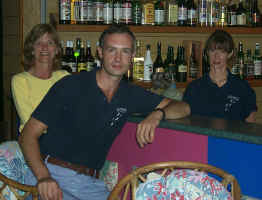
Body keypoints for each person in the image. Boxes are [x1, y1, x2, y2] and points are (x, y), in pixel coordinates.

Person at [18, 24, 190, 200]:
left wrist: (157, 114)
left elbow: (183, 107)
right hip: (53, 176)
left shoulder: (131, 94)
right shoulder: (71, 85)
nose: (118, 58)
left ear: (132, 57)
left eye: (124, 51)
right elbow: (27, 135)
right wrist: (43, 177)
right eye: (111, 50)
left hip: (89, 184)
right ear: (100, 52)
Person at [183, 29, 257, 123]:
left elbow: (250, 126)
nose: (216, 56)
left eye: (222, 51)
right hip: (202, 138)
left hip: (232, 138)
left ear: (230, 54)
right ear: (207, 53)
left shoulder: (243, 88)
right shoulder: (194, 88)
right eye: (212, 51)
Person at [11, 24, 70, 134]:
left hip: (63, 138)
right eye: (39, 43)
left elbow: (74, 113)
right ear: (32, 49)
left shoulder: (64, 76)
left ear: (57, 49)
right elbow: (30, 124)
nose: (44, 47)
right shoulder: (20, 81)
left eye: (50, 43)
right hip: (34, 140)